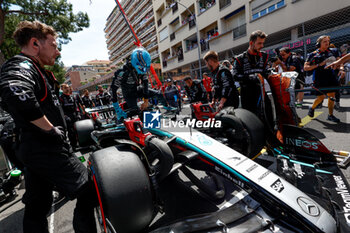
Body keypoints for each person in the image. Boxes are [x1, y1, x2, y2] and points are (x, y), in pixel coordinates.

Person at [0, 21, 97, 233]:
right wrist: (49, 128)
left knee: (37, 206)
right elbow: (15, 91)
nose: (58, 51)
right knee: (91, 190)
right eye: (53, 45)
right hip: (46, 148)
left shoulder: (36, 69)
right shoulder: (22, 65)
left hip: (34, 149)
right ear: (35, 43)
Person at [111, 47, 165, 119]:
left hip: (137, 89)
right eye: (142, 68)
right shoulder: (122, 72)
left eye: (145, 68)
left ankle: (167, 109)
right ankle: (118, 118)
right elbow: (113, 89)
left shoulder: (142, 68)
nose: (144, 70)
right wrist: (117, 108)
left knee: (158, 94)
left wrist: (146, 101)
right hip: (128, 94)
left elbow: (145, 83)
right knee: (135, 111)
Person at [304, 35, 341, 123]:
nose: (327, 43)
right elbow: (305, 67)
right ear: (319, 43)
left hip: (331, 77)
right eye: (324, 41)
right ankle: (312, 108)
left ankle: (330, 115)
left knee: (332, 96)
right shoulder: (312, 54)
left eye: (328, 41)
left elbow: (341, 62)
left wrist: (342, 69)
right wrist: (319, 65)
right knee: (321, 97)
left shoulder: (334, 51)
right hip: (319, 78)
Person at [233, 30, 269, 115]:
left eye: (263, 43)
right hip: (247, 95)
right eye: (259, 43)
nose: (262, 46)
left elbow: (266, 72)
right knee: (251, 122)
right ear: (251, 43)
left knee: (268, 117)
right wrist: (250, 77)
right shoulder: (239, 58)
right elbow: (235, 76)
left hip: (262, 92)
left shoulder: (264, 56)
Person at [59, 84, 79, 148]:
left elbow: (76, 107)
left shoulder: (72, 97)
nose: (67, 89)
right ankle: (73, 145)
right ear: (62, 89)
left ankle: (79, 142)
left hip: (74, 115)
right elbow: (61, 109)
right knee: (71, 132)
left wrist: (78, 114)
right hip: (67, 116)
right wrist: (65, 116)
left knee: (78, 130)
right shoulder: (60, 98)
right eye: (65, 88)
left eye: (68, 87)